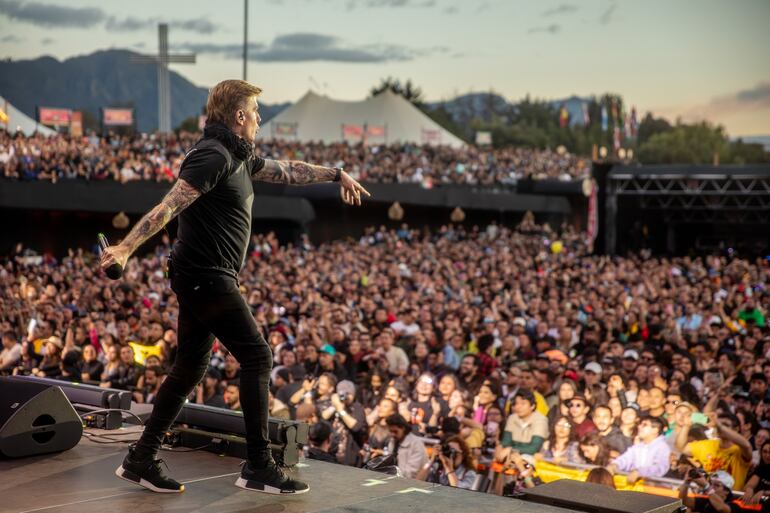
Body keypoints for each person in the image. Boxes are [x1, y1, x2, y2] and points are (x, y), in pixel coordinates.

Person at [102, 79, 370, 495]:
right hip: (205, 276)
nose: (260, 119)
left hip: (201, 276)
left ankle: (141, 457)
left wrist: (337, 174)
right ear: (240, 116)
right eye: (256, 113)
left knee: (190, 367)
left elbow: (288, 170)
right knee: (258, 357)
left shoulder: (237, 155)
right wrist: (125, 247)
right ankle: (259, 465)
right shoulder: (213, 155)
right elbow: (169, 206)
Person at [607, 416, 671, 482]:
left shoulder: (662, 447)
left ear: (655, 430)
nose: (639, 427)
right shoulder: (638, 447)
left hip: (654, 485)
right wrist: (615, 465)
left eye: (644, 425)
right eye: (640, 424)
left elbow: (660, 468)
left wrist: (640, 472)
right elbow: (626, 458)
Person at [386, 413, 428, 479]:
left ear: (403, 428)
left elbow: (411, 474)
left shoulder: (416, 444)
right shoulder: (392, 442)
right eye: (390, 431)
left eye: (395, 431)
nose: (392, 434)